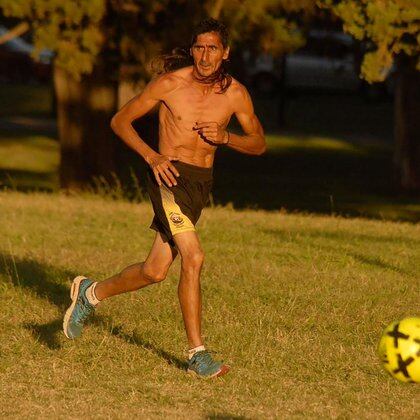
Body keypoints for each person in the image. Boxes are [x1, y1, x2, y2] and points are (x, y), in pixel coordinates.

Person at [63, 18, 266, 378]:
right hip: (168, 176)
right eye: (200, 47)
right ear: (192, 50)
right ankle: (197, 355)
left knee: (155, 271)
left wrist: (226, 137)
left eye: (213, 48)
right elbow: (120, 120)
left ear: (226, 53)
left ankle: (90, 294)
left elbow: (259, 144)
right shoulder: (171, 84)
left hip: (200, 184)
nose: (205, 56)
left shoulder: (236, 93)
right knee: (195, 256)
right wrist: (152, 156)